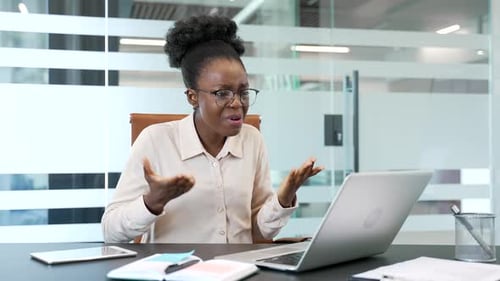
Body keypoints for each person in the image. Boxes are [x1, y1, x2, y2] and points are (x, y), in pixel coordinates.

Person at [101, 15, 323, 243]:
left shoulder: (252, 139)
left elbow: (258, 233)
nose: (237, 103)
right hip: (177, 273)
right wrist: (152, 202)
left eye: (243, 92)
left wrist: (283, 199)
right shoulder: (155, 140)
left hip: (240, 270)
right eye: (222, 93)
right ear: (193, 97)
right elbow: (110, 232)